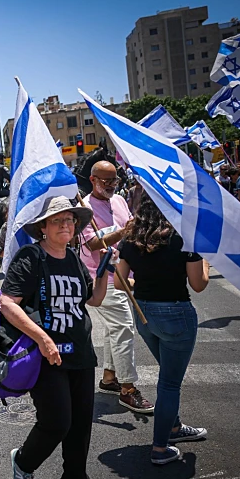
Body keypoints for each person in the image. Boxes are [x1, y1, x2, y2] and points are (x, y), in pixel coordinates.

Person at [0, 196, 112, 479]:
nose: (65, 225)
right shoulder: (31, 256)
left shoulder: (75, 258)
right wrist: (42, 338)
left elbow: (94, 300)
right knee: (57, 422)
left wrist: (103, 270)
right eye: (57, 221)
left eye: (70, 220)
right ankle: (23, 462)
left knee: (80, 425)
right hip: (46, 357)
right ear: (44, 228)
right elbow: (8, 303)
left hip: (80, 354)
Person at [116, 193, 210, 465]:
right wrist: (202, 253)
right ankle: (160, 447)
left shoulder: (132, 236)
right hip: (176, 312)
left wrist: (143, 283)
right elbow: (199, 283)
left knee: (168, 375)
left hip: (144, 313)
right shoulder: (185, 236)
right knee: (169, 383)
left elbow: (121, 282)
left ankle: (173, 427)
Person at [79, 161, 153, 413]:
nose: (112, 185)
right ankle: (128, 389)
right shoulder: (84, 207)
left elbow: (130, 228)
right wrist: (123, 231)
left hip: (124, 274)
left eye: (115, 181)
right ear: (93, 180)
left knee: (115, 329)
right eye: (106, 181)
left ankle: (110, 377)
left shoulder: (120, 201)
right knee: (123, 328)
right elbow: (91, 244)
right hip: (101, 277)